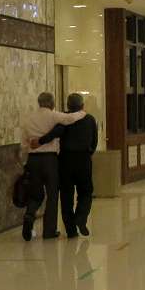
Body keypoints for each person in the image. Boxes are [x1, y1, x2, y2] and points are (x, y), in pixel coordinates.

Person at [19, 92, 87, 241]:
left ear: (39, 103)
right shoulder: (53, 115)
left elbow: (24, 144)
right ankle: (49, 231)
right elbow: (70, 118)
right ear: (51, 103)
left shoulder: (28, 119)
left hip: (33, 159)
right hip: (50, 160)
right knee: (52, 195)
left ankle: (29, 215)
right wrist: (82, 112)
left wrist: (26, 161)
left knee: (36, 194)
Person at [35, 93, 99, 238]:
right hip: (83, 159)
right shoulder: (90, 119)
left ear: (68, 106)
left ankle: (71, 230)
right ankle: (81, 217)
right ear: (82, 106)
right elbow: (94, 141)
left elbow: (54, 133)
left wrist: (39, 141)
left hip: (65, 160)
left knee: (66, 196)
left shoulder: (64, 119)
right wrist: (88, 153)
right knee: (86, 192)